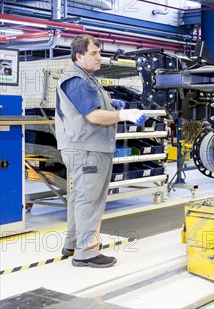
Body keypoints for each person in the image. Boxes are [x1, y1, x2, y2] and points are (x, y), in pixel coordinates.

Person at [56, 34, 147, 268]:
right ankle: (86, 253)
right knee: (90, 199)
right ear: (79, 55)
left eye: (99, 53)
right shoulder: (76, 79)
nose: (99, 58)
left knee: (80, 197)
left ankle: (73, 242)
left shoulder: (87, 78)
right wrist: (123, 115)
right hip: (87, 149)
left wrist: (113, 105)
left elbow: (96, 106)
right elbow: (93, 115)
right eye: (94, 53)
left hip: (87, 147)